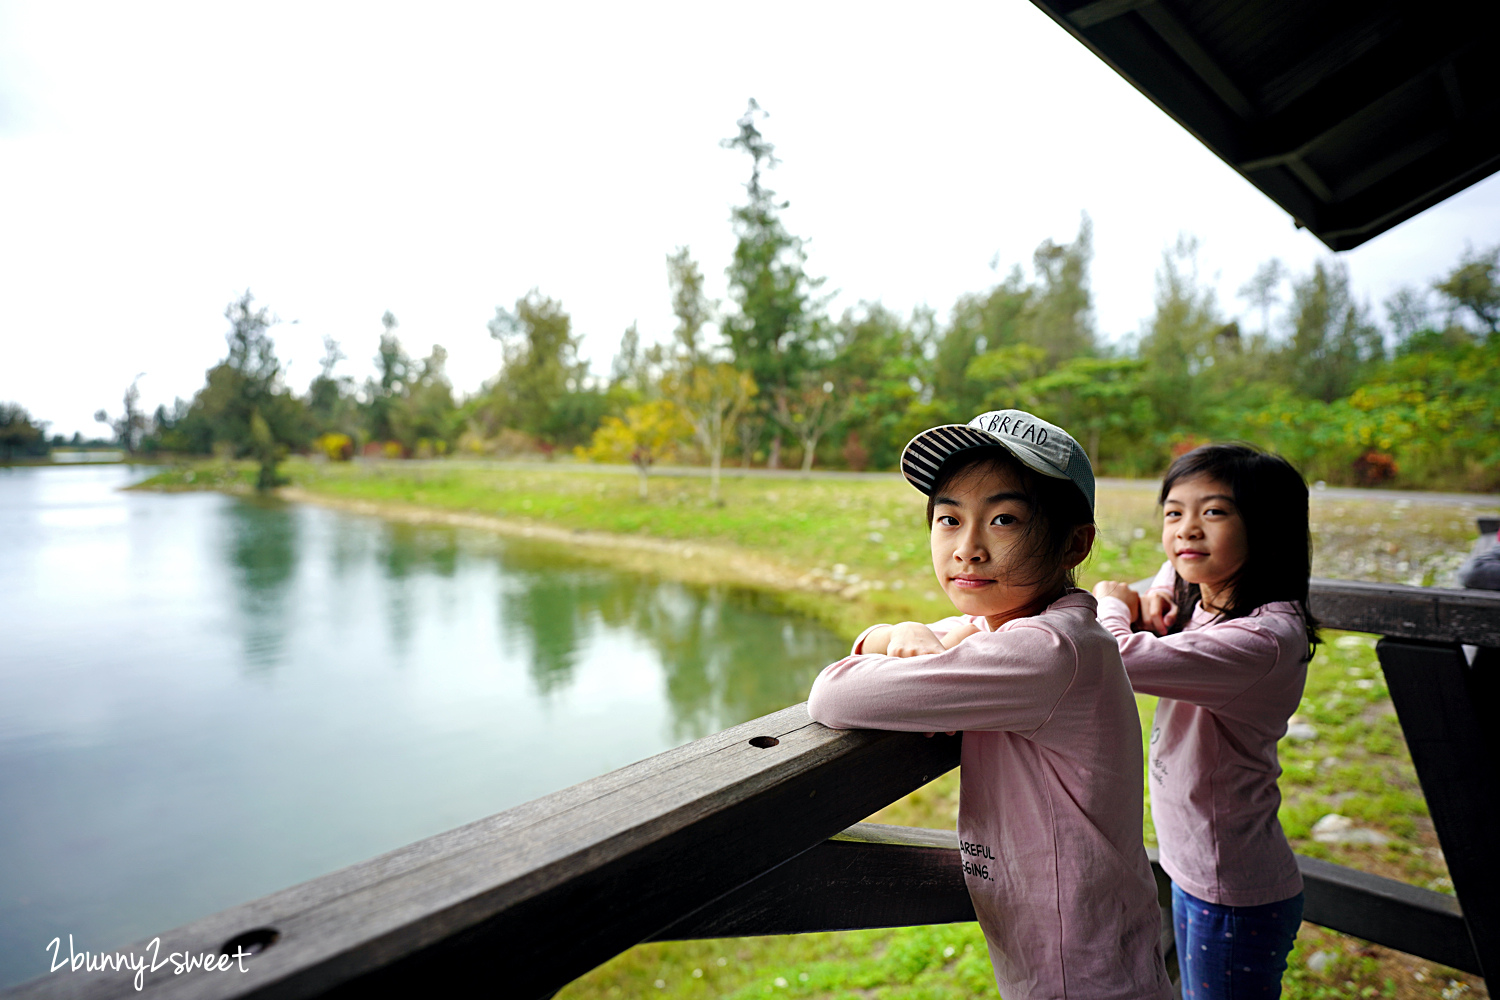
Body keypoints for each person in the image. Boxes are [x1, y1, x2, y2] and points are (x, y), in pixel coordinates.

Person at [807, 409, 1172, 1000]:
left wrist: (900, 643)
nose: (967, 548)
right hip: (1079, 945)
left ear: (1075, 542)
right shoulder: (1013, 626)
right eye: (949, 519)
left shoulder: (1047, 651)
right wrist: (891, 631)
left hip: (1080, 972)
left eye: (1003, 519)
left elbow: (833, 692)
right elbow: (941, 634)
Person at [1092, 443, 1318, 999]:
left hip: (1233, 889)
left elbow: (1114, 655)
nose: (1187, 529)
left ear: (1267, 527)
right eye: (1174, 513)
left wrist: (1113, 601)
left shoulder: (1261, 638)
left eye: (1213, 512)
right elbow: (1171, 569)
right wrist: (1161, 595)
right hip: (1198, 869)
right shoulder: (1211, 596)